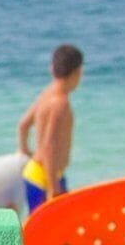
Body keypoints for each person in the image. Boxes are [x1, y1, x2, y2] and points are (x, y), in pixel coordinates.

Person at [17, 44, 82, 209]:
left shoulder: (47, 94)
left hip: (36, 173)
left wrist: (25, 151)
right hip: (46, 180)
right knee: (57, 224)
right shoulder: (61, 104)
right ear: (77, 72)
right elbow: (49, 146)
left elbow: (23, 125)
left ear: (52, 69)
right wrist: (53, 188)